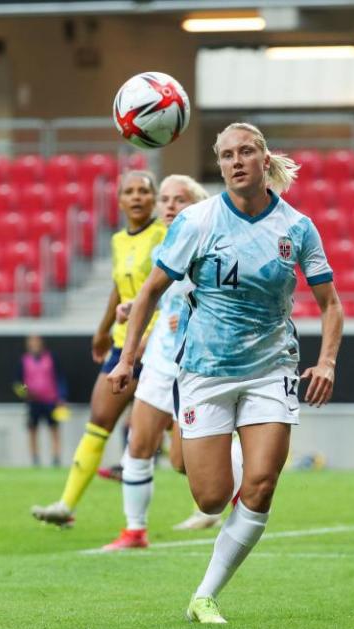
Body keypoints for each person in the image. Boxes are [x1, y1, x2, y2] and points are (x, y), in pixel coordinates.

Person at [107, 123, 343, 623]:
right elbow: (149, 291)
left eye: (247, 152)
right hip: (205, 371)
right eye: (228, 155)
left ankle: (205, 594)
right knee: (211, 497)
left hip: (272, 368)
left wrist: (325, 361)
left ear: (264, 158)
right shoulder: (196, 221)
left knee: (260, 484)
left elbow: (331, 304)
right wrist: (128, 359)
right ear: (220, 165)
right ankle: (223, 460)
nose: (237, 161)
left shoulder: (297, 227)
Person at [102, 174, 244, 550]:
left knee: (184, 463)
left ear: (196, 206)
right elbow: (163, 300)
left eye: (178, 199)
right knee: (138, 444)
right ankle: (135, 531)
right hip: (161, 362)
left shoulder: (211, 244)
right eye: (164, 199)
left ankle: (242, 473)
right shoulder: (160, 250)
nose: (168, 206)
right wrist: (133, 309)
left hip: (196, 367)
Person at [32, 171, 167, 527]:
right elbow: (117, 289)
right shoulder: (120, 240)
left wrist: (149, 341)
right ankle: (66, 505)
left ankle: (223, 493)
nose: (137, 197)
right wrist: (103, 329)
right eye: (130, 192)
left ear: (154, 199)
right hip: (123, 345)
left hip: (157, 347)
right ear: (120, 201)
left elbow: (168, 291)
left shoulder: (164, 236)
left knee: (168, 437)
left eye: (144, 191)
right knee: (99, 420)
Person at [13, 335, 66, 467]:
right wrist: (26, 392)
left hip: (50, 400)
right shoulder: (24, 360)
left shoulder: (51, 358)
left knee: (54, 429)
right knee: (33, 430)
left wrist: (61, 397)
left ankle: (56, 457)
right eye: (32, 342)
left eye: (37, 342)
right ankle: (35, 458)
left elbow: (59, 378)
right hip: (33, 402)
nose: (35, 344)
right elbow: (18, 383)